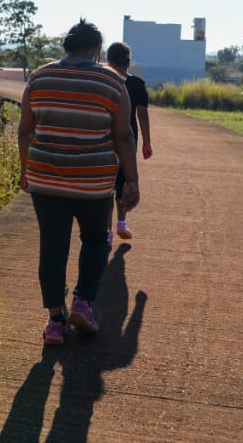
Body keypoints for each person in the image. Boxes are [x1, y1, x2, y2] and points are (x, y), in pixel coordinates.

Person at [18, 19, 140, 346]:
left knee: (52, 245)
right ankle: (83, 303)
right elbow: (123, 136)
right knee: (97, 240)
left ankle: (55, 321)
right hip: (93, 181)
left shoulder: (39, 77)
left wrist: (24, 170)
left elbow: (26, 130)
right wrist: (131, 179)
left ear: (67, 47)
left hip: (45, 178)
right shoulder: (112, 81)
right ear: (96, 49)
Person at [105, 41, 153, 241]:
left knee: (107, 183)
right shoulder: (137, 84)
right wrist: (147, 142)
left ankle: (107, 231)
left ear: (108, 60)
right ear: (128, 61)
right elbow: (142, 114)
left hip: (105, 136)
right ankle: (121, 223)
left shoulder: (104, 82)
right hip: (128, 137)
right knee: (124, 180)